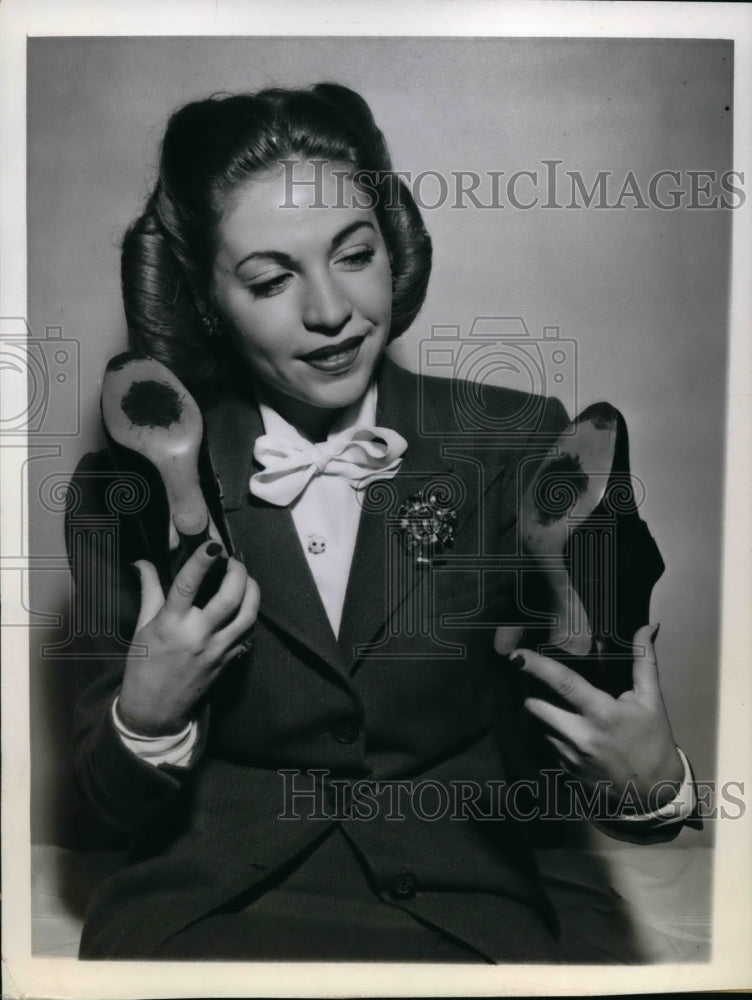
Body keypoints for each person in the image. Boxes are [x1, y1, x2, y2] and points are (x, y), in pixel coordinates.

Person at [67, 83, 697, 963]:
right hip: (202, 916)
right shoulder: (130, 486)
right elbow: (101, 806)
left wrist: (652, 784)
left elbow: (597, 757)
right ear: (206, 300)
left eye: (353, 255)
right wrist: (147, 713)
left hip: (459, 918)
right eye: (270, 277)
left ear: (393, 252)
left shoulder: (520, 444)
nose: (330, 311)